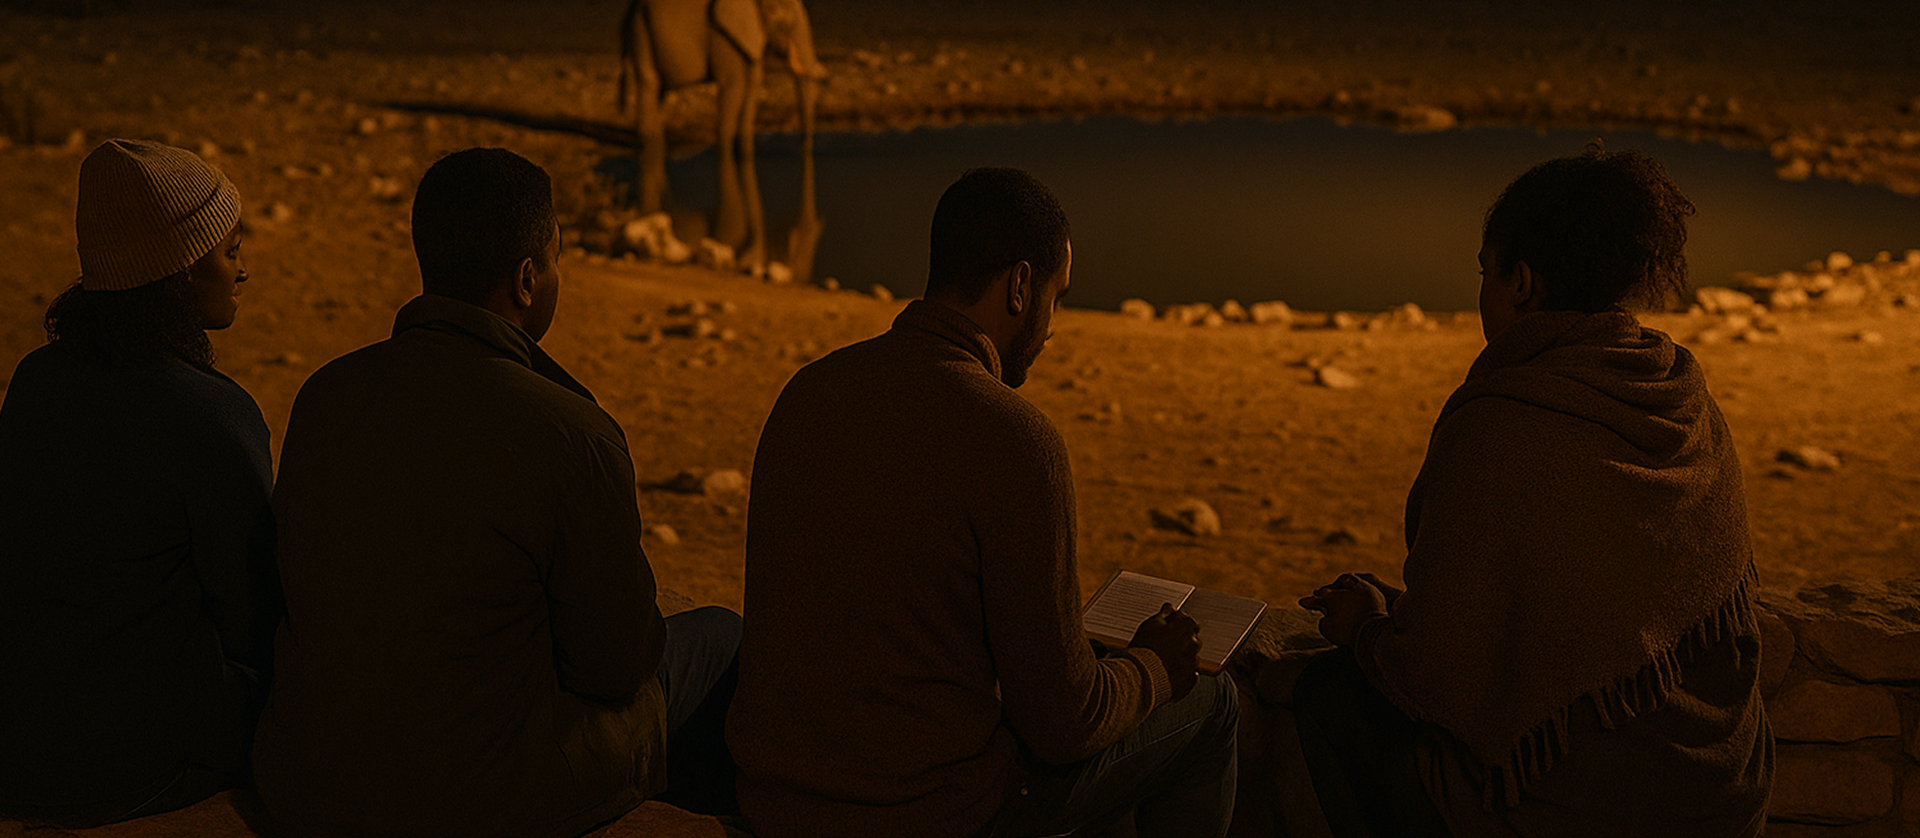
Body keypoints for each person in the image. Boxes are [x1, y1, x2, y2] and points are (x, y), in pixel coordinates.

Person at [727, 166, 1239, 838]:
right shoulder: (1014, 439)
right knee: (1214, 706)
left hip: (774, 799)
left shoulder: (808, 392)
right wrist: (1152, 667)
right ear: (1021, 286)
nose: (1053, 324)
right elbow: (1065, 722)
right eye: (1057, 297)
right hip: (924, 813)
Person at [251, 147, 741, 838]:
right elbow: (615, 664)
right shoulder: (568, 430)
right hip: (473, 799)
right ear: (527, 278)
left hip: (309, 780)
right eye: (558, 259)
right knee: (720, 639)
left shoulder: (326, 395)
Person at [1295, 145, 1774, 838]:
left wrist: (1369, 630)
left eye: (1486, 273)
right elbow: (1605, 611)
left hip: (1580, 805)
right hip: (1722, 791)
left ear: (1523, 283)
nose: (1484, 293)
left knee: (1330, 697)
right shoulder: (1676, 388)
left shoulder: (1504, 419)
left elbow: (1439, 678)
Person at [0, 139, 279, 827]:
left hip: (23, 735)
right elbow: (253, 615)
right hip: (134, 759)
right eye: (229, 250)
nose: (242, 270)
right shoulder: (212, 416)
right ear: (181, 273)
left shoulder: (38, 379)